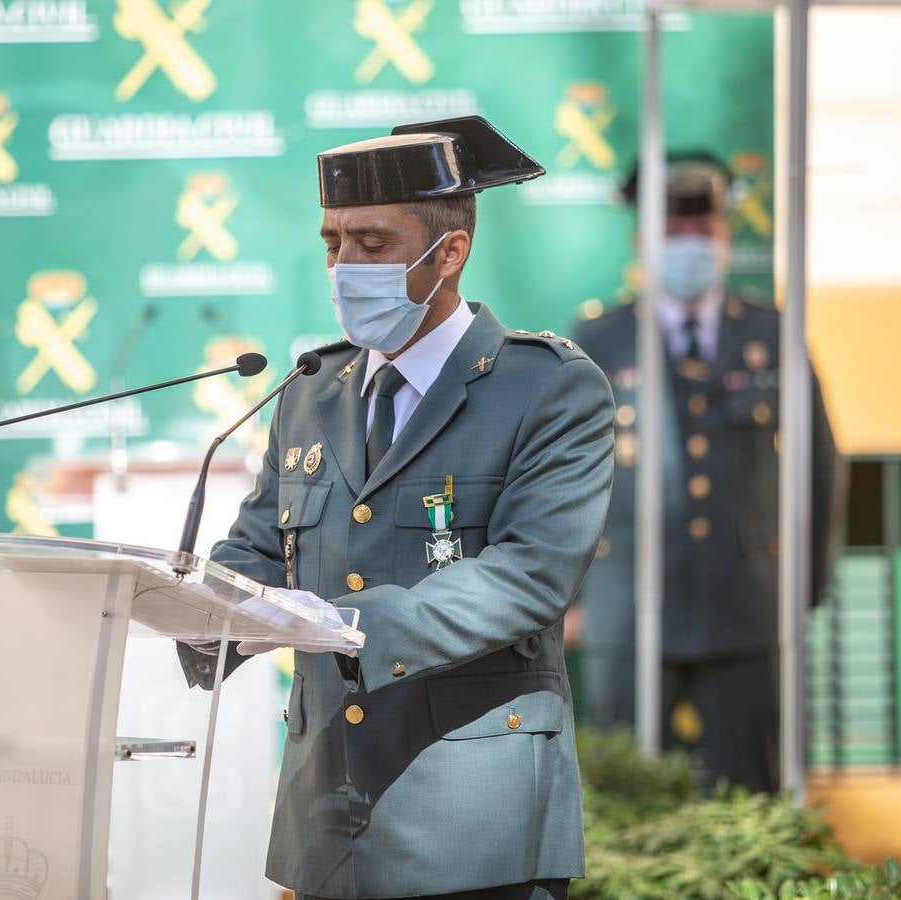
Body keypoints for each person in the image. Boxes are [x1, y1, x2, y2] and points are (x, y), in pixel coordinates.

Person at [176, 116, 615, 900]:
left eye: (371, 244)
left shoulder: (545, 388)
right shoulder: (311, 387)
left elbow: (528, 574)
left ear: (448, 253)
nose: (344, 265)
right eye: (332, 243)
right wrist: (196, 609)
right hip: (326, 821)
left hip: (473, 822)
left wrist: (344, 629)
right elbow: (256, 545)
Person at [568, 153, 841, 793]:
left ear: (725, 236)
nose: (690, 246)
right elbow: (565, 476)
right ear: (642, 242)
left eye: (704, 231)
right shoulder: (599, 339)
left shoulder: (773, 334)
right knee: (627, 802)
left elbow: (819, 468)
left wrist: (800, 590)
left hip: (744, 605)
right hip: (626, 604)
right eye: (673, 232)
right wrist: (572, 597)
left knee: (751, 796)